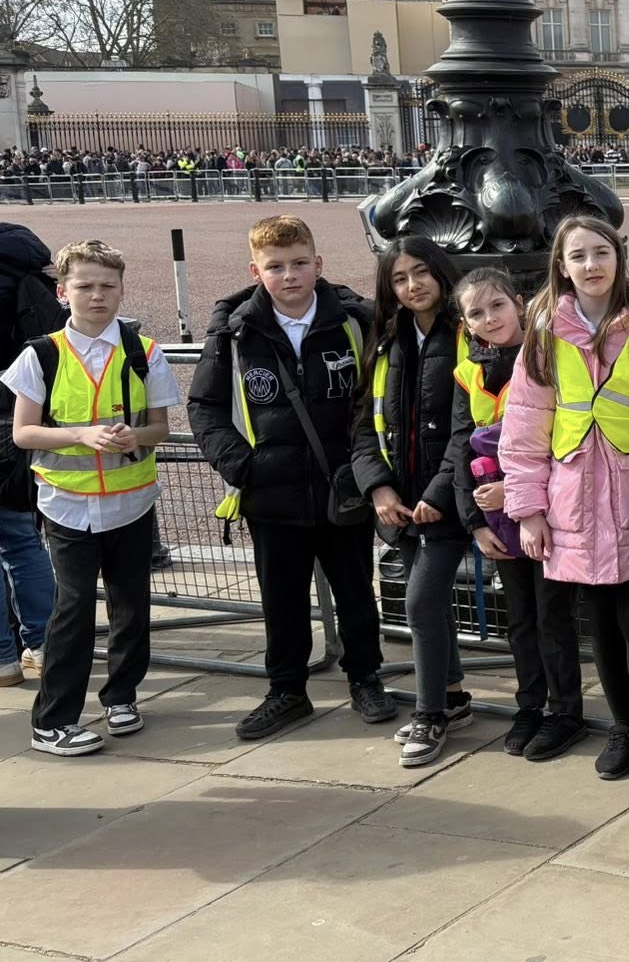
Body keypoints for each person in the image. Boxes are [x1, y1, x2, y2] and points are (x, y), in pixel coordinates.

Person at [189, 216, 394, 740]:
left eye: (300, 263)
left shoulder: (354, 322)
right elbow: (205, 406)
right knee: (282, 602)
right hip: (270, 492)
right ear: (255, 271)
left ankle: (366, 679)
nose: (289, 275)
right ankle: (287, 691)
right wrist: (241, 466)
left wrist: (367, 469)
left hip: (342, 488)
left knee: (356, 594)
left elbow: (377, 400)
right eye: (276, 266)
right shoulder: (235, 332)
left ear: (318, 264)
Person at [500, 216, 629, 781]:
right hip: (574, 497)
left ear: (619, 257)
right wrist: (527, 510)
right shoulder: (544, 334)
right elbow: (524, 429)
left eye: (601, 252)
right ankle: (623, 728)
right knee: (599, 622)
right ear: (562, 266)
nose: (592, 265)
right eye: (579, 256)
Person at [5, 242, 176, 755]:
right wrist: (81, 434)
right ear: (63, 292)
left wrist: (134, 436)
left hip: (132, 502)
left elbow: (161, 428)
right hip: (68, 506)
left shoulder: (144, 352)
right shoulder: (41, 354)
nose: (96, 295)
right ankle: (52, 721)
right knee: (73, 611)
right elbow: (23, 433)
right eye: (84, 286)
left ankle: (122, 696)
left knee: (131, 606)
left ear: (121, 290)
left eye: (107, 286)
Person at [448, 268, 585, 761]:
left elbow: (567, 436)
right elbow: (459, 446)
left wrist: (518, 490)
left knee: (552, 616)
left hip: (545, 507)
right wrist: (474, 521)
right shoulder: (469, 372)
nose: (489, 318)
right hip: (499, 519)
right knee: (521, 618)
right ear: (465, 324)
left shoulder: (550, 357)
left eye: (497, 306)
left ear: (519, 303)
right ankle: (530, 703)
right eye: (477, 313)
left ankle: (565, 710)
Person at [351, 238, 470, 770]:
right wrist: (379, 488)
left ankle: (430, 714)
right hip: (400, 503)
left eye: (421, 272)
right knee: (433, 604)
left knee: (420, 604)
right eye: (399, 278)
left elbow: (469, 428)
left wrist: (437, 494)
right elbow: (363, 424)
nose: (413, 285)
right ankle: (453, 696)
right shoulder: (386, 339)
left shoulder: (466, 333)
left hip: (451, 500)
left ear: (441, 273)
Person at [0, 222, 63, 686]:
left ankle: (3, 659)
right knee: (23, 540)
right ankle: (45, 645)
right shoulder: (28, 263)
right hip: (21, 418)